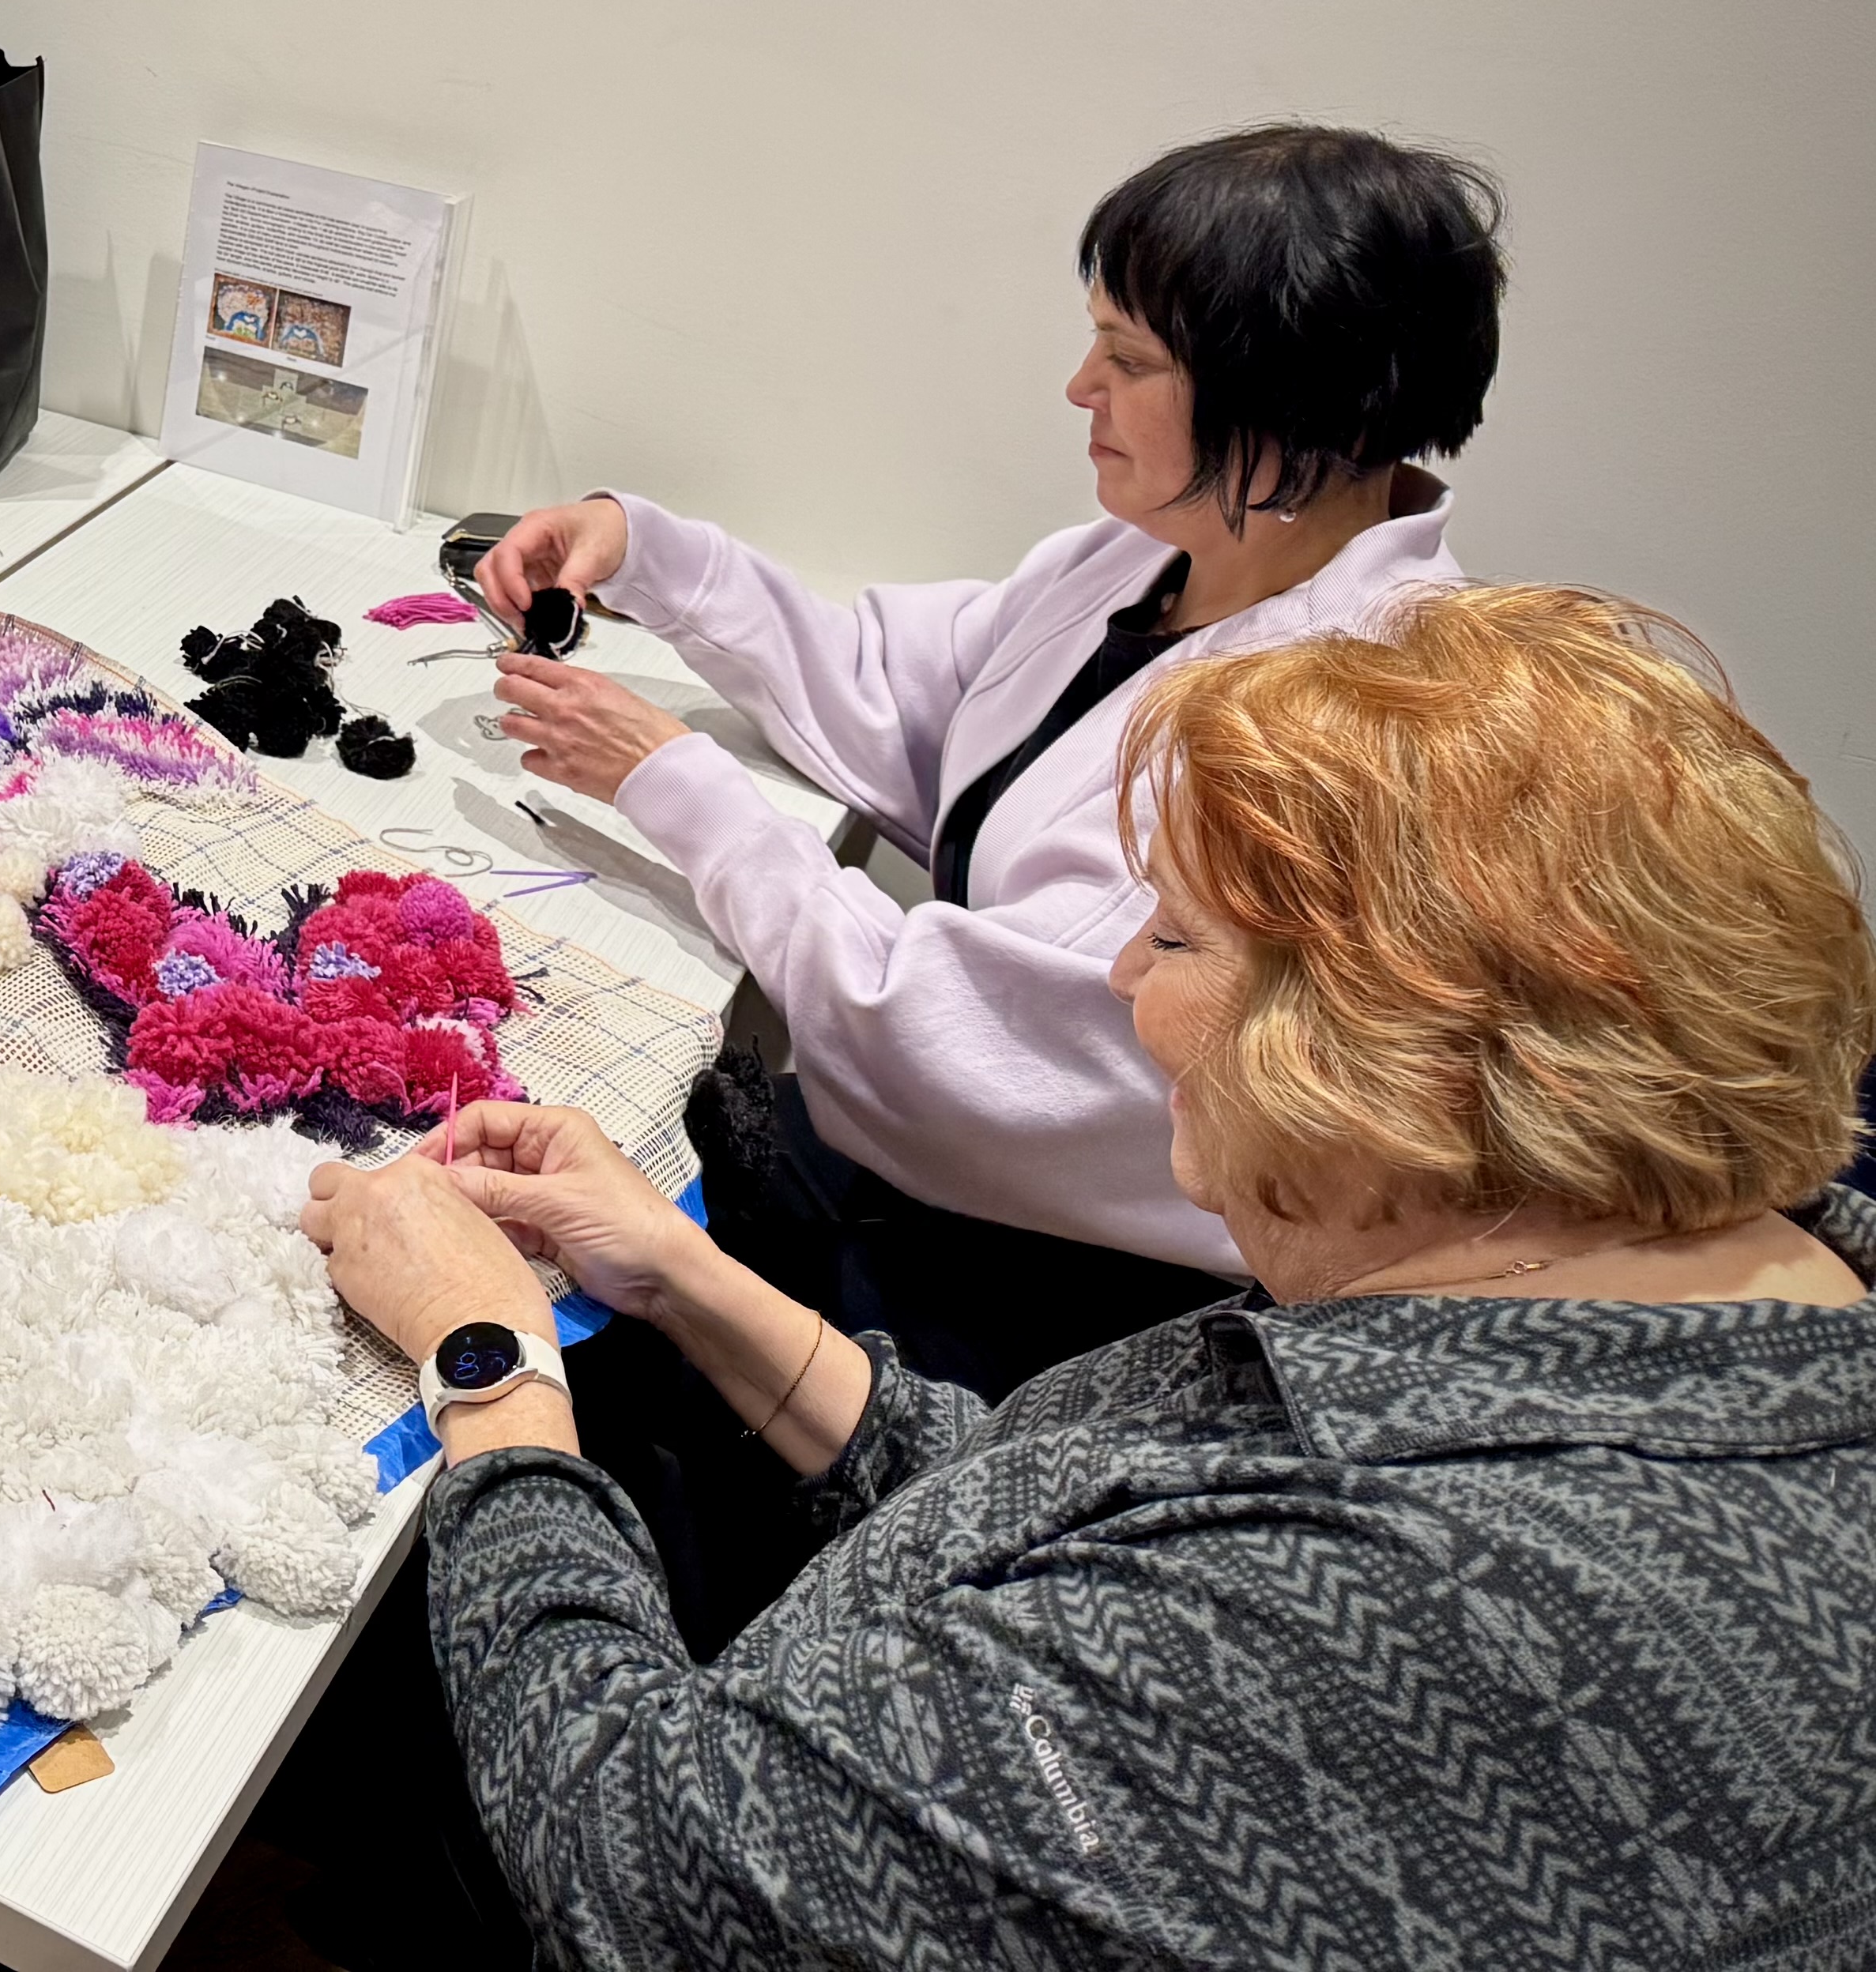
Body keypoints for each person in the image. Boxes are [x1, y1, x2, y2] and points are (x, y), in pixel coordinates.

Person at [303, 581, 1876, 1968]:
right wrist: (679, 1276)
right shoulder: (1669, 1300)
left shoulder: (1365, 1617)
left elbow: (626, 1859)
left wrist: (486, 1354)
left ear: (1392, 1062)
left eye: (1173, 943)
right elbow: (1074, 1501)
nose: (1122, 976)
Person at [474, 124, 1502, 1390]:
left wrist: (673, 784)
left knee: (537, 1255)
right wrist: (646, 554)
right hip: (934, 1177)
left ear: (1290, 402)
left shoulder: (1331, 730)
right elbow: (906, 697)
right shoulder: (1160, 554)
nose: (1080, 387)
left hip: (1047, 1288)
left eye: (1129, 359)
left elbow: (953, 1047)